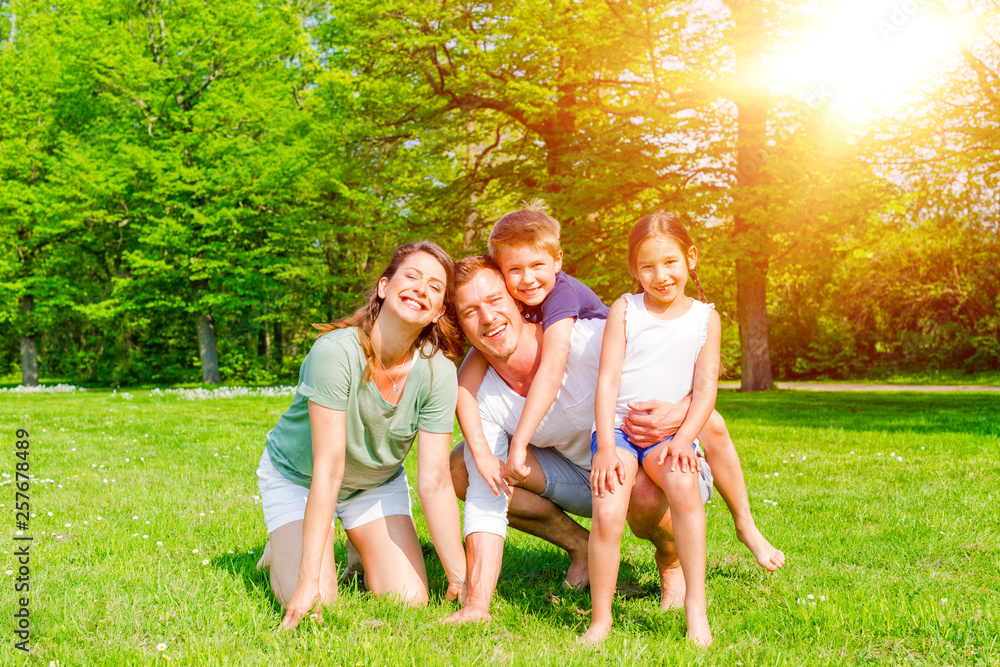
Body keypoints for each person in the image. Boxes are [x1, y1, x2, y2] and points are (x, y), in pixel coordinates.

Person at [443, 256, 715, 627]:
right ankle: (582, 547)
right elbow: (486, 496)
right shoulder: (480, 393)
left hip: (651, 467)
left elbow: (692, 371)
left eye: (494, 300)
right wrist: (477, 604)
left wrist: (682, 410)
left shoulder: (585, 338)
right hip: (583, 480)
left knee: (639, 486)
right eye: (470, 311)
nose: (488, 317)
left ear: (517, 300)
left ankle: (671, 562)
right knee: (465, 466)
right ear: (458, 322)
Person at [254, 241, 467, 630]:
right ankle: (282, 546)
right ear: (384, 287)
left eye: (435, 287)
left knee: (410, 600)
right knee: (320, 603)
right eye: (412, 277)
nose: (422, 288)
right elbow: (329, 469)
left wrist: (459, 574)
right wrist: (305, 582)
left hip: (373, 484)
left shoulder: (439, 372)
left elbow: (435, 480)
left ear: (438, 313)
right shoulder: (335, 352)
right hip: (300, 479)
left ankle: (356, 538)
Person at [586, 212, 719, 646]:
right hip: (619, 433)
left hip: (670, 434)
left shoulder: (705, 318)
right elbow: (606, 381)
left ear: (690, 259)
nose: (660, 276)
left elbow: (704, 392)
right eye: (647, 266)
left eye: (670, 263)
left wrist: (682, 439)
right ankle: (601, 619)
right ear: (633, 270)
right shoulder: (625, 309)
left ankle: (695, 609)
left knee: (682, 484)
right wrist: (606, 445)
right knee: (607, 510)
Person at [455, 201, 608, 497]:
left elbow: (552, 371)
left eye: (537, 265)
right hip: (585, 453)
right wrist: (483, 455)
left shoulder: (560, 297)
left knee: (710, 426)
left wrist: (520, 443)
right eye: (515, 269)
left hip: (627, 376)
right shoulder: (523, 303)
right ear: (500, 272)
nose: (527, 279)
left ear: (558, 260)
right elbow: (464, 388)